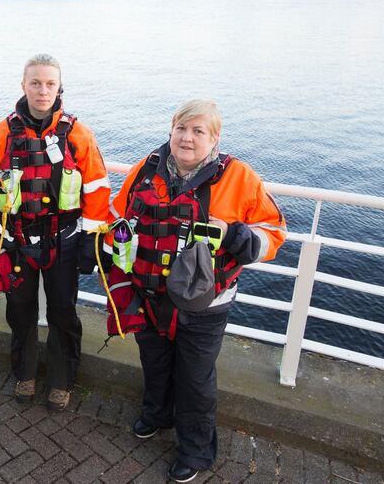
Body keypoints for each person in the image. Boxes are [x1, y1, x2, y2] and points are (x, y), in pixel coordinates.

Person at [104, 99, 286, 482]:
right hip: (149, 295)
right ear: (171, 131)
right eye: (181, 129)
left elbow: (273, 232)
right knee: (155, 364)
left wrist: (236, 235)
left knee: (195, 380)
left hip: (205, 306)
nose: (187, 138)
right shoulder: (146, 169)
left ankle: (196, 452)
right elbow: (118, 217)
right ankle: (157, 414)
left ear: (214, 138)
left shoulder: (239, 177)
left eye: (198, 131)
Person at [0, 54, 110, 412]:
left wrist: (92, 242)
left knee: (63, 311)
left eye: (50, 83)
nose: (43, 90)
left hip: (66, 241)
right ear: (23, 86)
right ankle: (24, 372)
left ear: (60, 87)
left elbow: (98, 190)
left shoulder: (78, 135)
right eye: (35, 83)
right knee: (20, 310)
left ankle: (62, 379)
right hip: (16, 242)